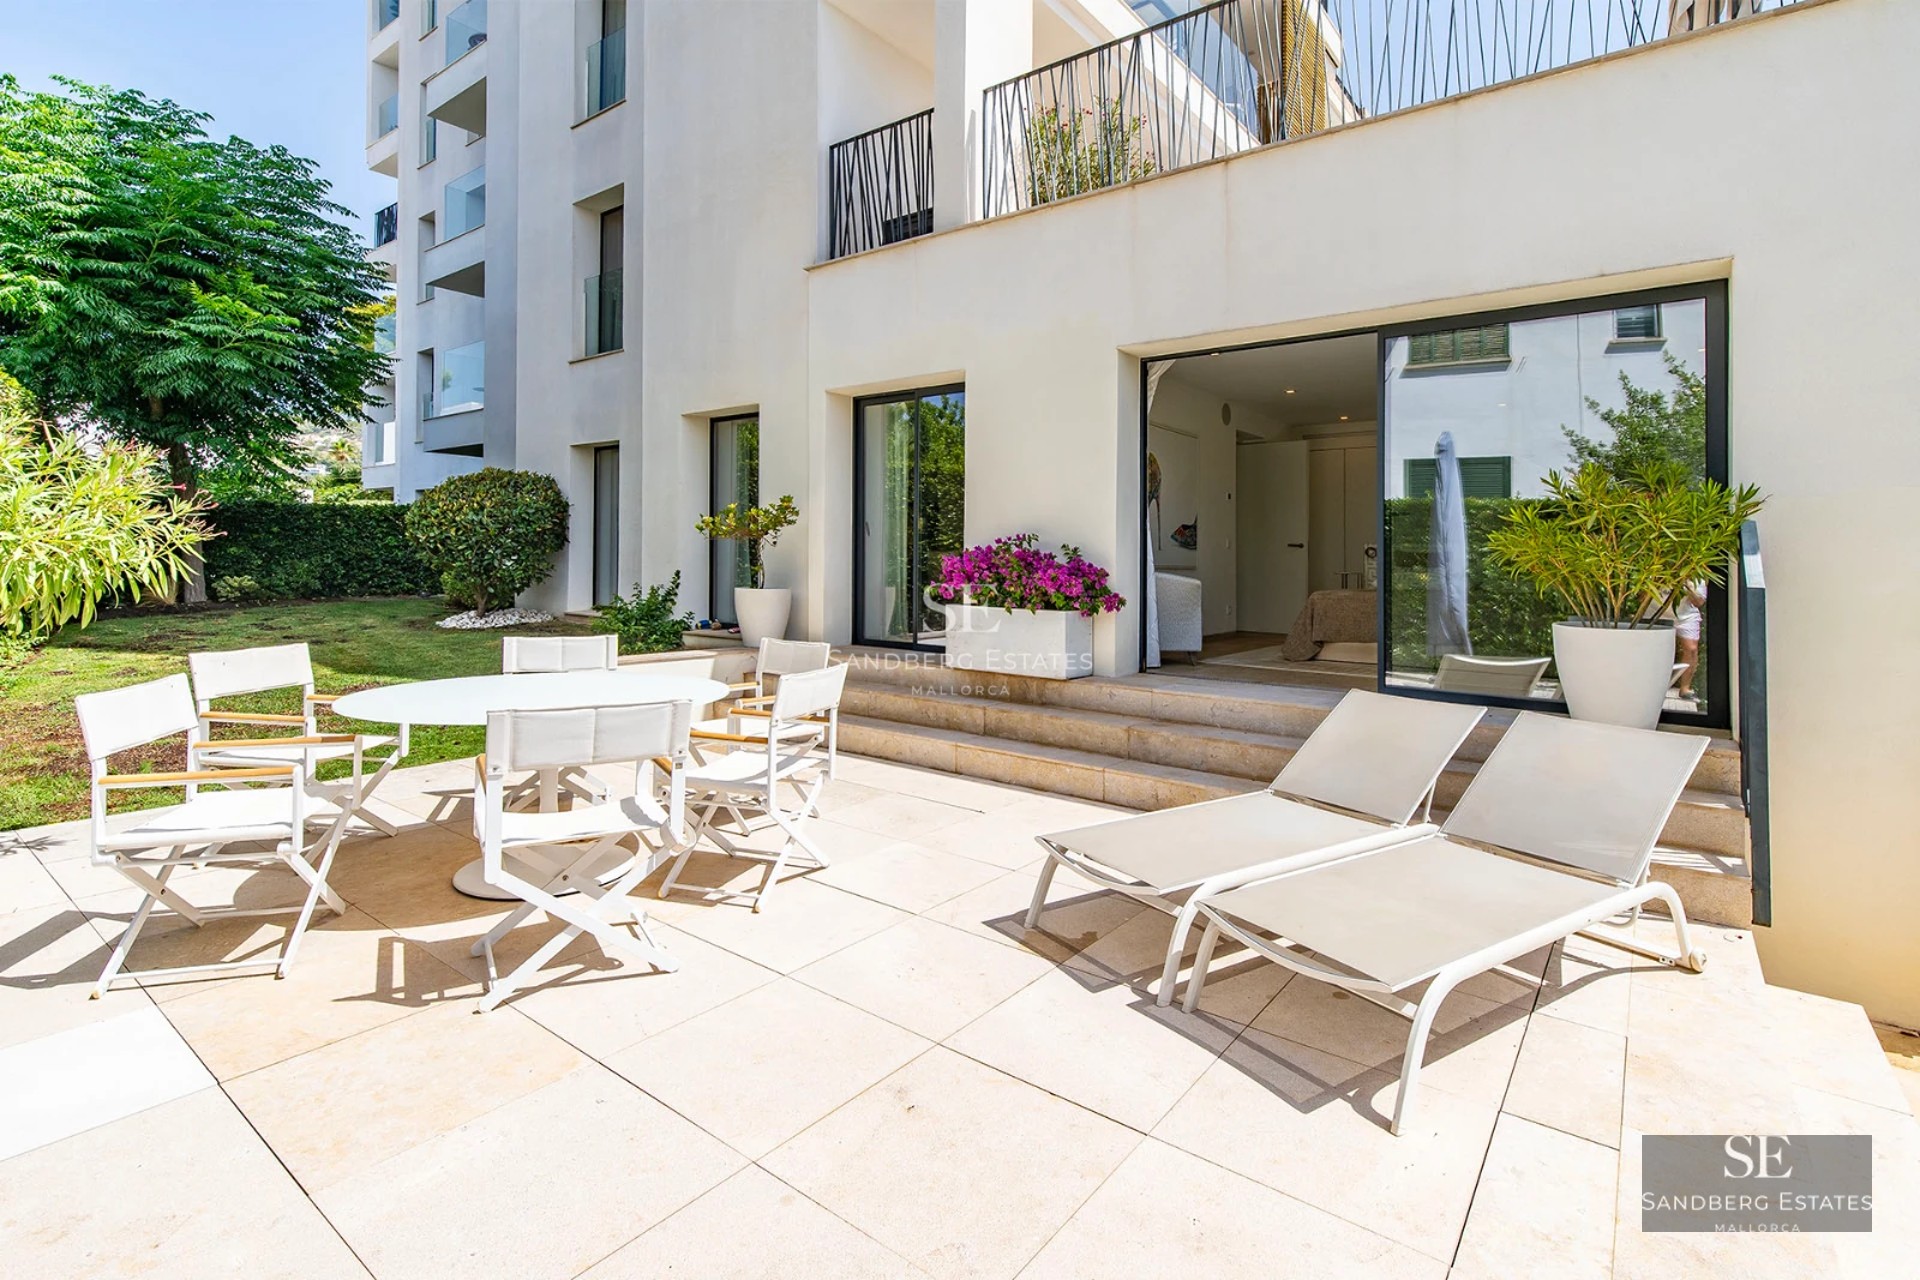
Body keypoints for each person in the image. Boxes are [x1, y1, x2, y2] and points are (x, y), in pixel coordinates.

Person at [1674, 579, 1707, 700]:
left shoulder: (1697, 578)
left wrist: (1688, 588)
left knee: (1691, 649)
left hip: (1686, 616)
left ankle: (1685, 688)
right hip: (1659, 614)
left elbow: (1699, 601)